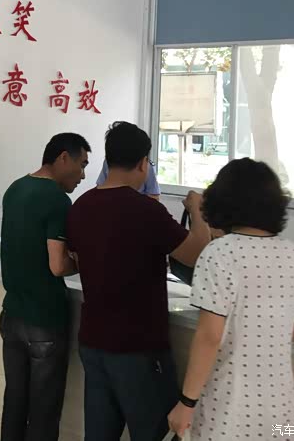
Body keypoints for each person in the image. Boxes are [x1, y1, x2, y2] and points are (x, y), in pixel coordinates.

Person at [66, 121, 210, 441]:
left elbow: (77, 259)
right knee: (153, 433)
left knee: (99, 434)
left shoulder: (80, 207)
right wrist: (197, 211)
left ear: (108, 159)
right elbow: (196, 254)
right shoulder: (146, 210)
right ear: (144, 163)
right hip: (138, 348)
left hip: (93, 342)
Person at [168, 159, 294, 440]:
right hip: (279, 413)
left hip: (228, 410)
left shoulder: (219, 253)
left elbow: (209, 336)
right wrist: (267, 332)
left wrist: (186, 403)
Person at [0, 132, 90, 441]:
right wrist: (81, 262)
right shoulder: (57, 200)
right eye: (82, 165)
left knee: (15, 402)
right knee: (43, 410)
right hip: (44, 321)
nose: (83, 175)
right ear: (63, 157)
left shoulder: (15, 188)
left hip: (11, 315)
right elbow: (57, 265)